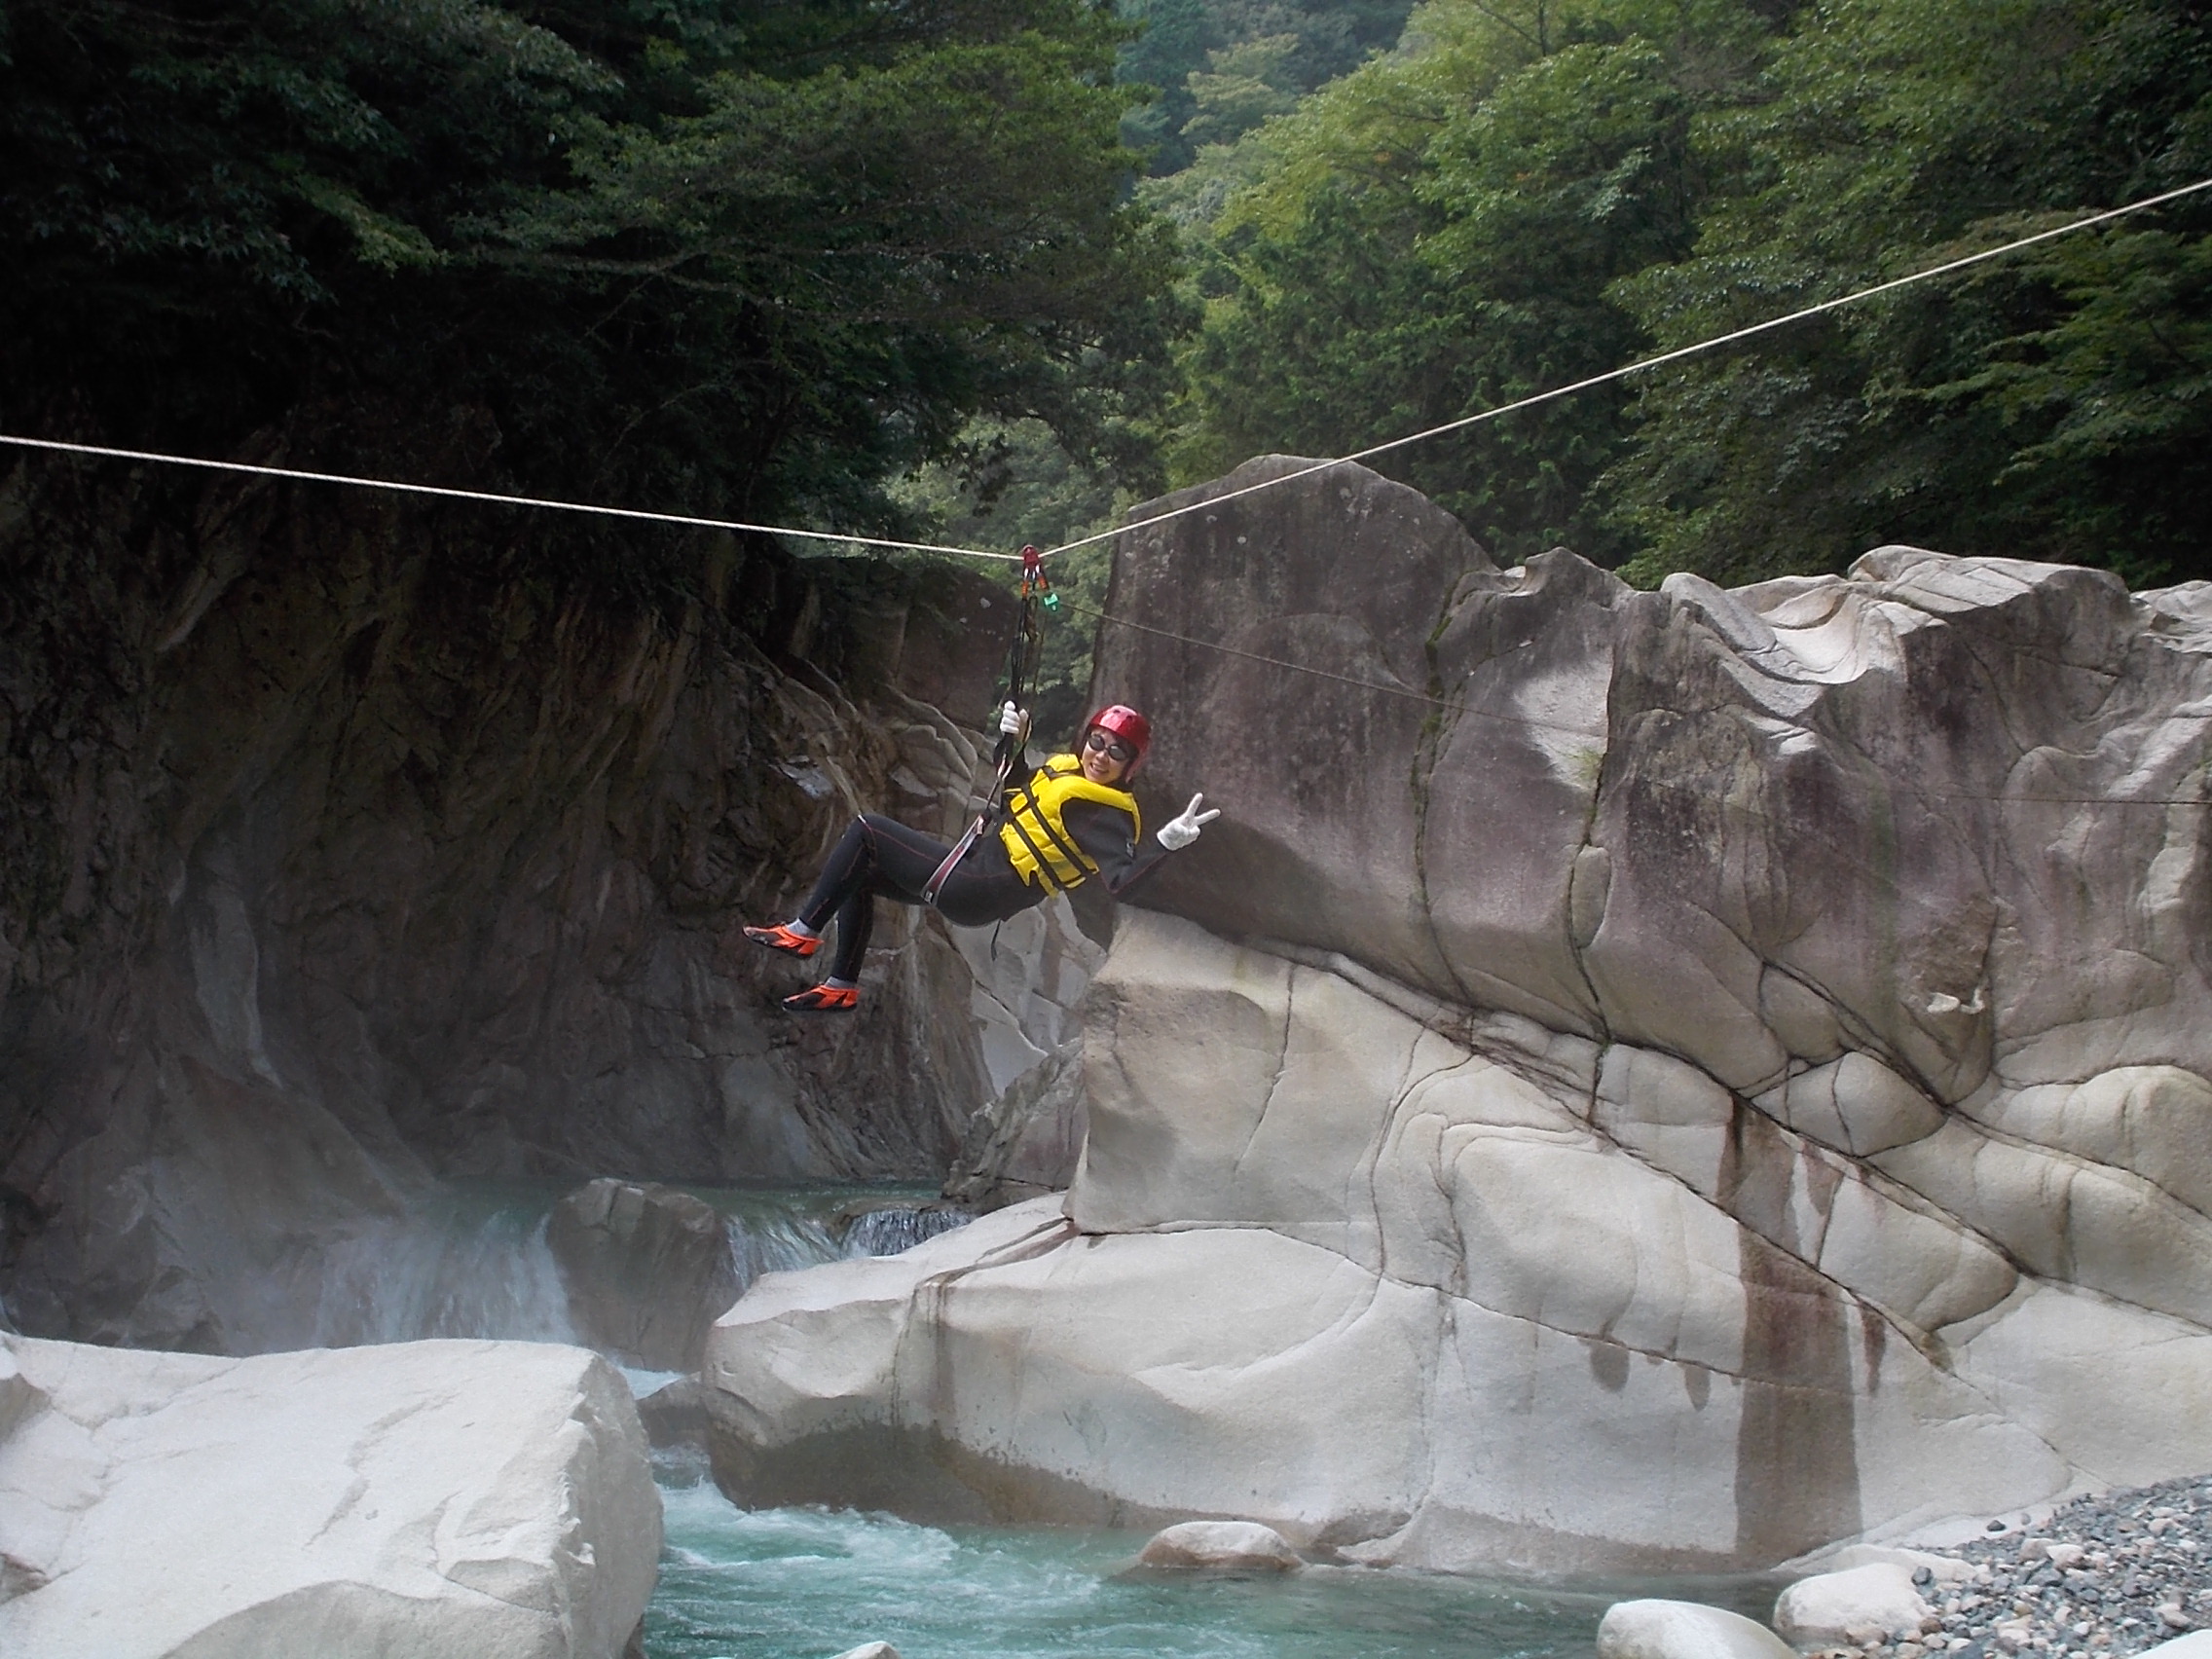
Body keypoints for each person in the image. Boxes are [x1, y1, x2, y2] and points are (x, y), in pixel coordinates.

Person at [744, 702, 1219, 1012]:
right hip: (976, 879)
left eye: (1118, 752)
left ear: (1130, 764)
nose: (1102, 756)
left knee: (868, 829)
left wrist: (1165, 844)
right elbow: (1016, 792)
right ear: (1085, 738)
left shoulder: (1105, 813)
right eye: (1098, 741)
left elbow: (1122, 884)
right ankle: (841, 985)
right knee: (861, 875)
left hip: (980, 887)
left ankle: (804, 932)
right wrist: (1015, 737)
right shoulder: (1068, 775)